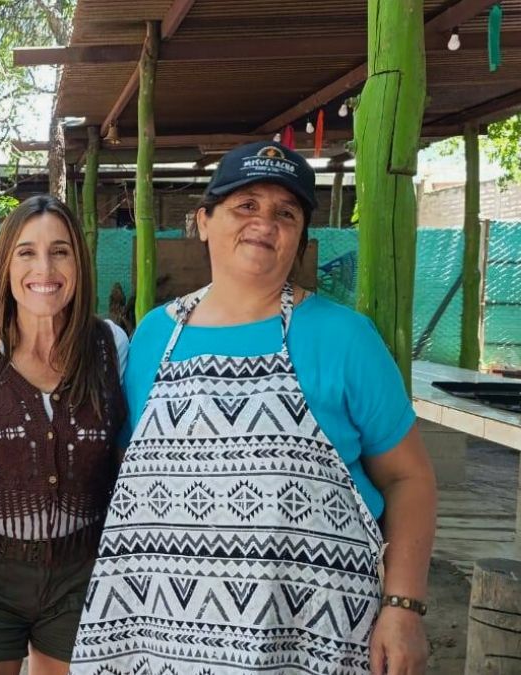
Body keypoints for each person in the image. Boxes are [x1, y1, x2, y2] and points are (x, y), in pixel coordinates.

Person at [70, 141, 437, 675]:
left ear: (300, 239)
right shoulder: (154, 335)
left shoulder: (344, 337)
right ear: (203, 221)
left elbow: (411, 479)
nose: (264, 222)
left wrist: (403, 608)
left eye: (285, 213)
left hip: (312, 632)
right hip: (163, 634)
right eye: (246, 205)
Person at [0, 195, 128, 675]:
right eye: (26, 252)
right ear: (5, 264)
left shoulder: (110, 346)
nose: (45, 266)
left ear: (79, 262)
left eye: (60, 251)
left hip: (83, 570)